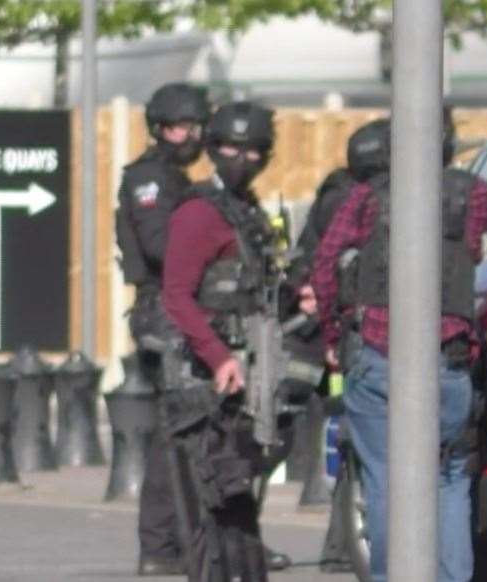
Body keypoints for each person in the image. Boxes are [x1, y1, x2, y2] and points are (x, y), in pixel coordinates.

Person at [310, 112, 487, 582]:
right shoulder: (469, 191)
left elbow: (324, 266)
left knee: (385, 479)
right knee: (451, 478)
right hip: (448, 362)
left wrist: (335, 338)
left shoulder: (366, 197)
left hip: (374, 359)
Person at [161, 101, 314, 581]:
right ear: (211, 148)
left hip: (251, 379)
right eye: (231, 148)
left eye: (253, 151)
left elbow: (258, 289)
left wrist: (297, 299)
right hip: (207, 388)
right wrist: (218, 357)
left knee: (239, 510)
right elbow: (177, 296)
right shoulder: (198, 213)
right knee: (213, 512)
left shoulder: (246, 212)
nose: (241, 159)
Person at [116, 82, 209, 577]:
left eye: (195, 126)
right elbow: (159, 246)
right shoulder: (150, 178)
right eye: (179, 127)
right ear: (158, 128)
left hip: (179, 311)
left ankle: (181, 541)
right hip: (164, 316)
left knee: (186, 430)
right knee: (176, 431)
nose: (188, 135)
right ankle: (161, 545)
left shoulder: (175, 177)